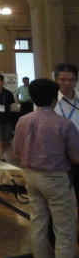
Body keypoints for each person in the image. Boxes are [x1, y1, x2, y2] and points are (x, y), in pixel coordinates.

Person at [14, 78, 79, 258]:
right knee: (64, 229)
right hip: (56, 179)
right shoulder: (64, 124)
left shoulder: (23, 120)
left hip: (30, 176)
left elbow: (17, 150)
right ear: (54, 99)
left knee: (38, 223)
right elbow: (76, 157)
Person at [54, 63, 79, 199]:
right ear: (56, 80)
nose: (67, 83)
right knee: (61, 196)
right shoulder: (48, 101)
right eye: (62, 79)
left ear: (76, 81)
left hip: (77, 152)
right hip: (57, 154)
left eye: (71, 80)